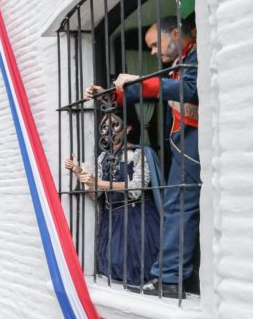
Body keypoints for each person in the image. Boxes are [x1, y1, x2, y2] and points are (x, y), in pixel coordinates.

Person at [87, 16, 199, 296]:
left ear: (175, 33)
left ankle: (171, 278)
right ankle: (170, 276)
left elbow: (189, 90)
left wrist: (140, 80)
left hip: (194, 143)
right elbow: (143, 93)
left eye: (153, 45)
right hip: (182, 144)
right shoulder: (177, 64)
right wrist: (108, 95)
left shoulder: (195, 56)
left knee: (179, 207)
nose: (151, 52)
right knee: (177, 208)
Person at [65, 109, 161, 289]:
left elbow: (136, 188)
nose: (109, 130)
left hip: (137, 218)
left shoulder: (141, 153)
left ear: (129, 127)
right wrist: (79, 172)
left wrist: (97, 181)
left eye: (115, 125)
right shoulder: (103, 157)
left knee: (140, 272)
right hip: (112, 219)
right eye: (104, 127)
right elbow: (95, 194)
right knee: (116, 274)